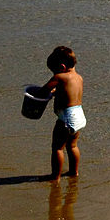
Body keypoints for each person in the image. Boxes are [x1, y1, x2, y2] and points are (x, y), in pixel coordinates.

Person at [37, 46, 85, 182]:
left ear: (62, 67)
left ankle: (55, 177)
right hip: (79, 116)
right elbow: (70, 94)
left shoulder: (59, 77)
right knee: (73, 145)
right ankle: (73, 172)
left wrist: (44, 94)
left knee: (57, 148)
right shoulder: (79, 78)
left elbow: (43, 91)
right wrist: (56, 93)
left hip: (66, 118)